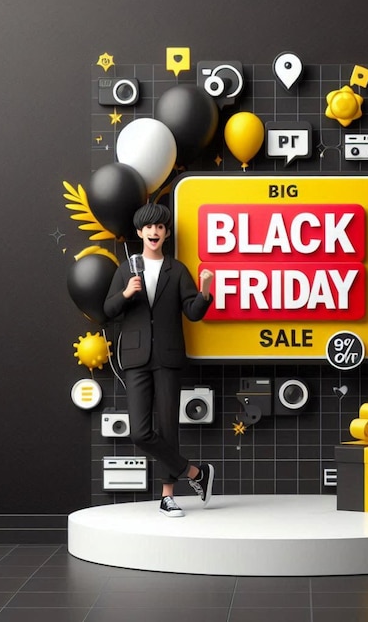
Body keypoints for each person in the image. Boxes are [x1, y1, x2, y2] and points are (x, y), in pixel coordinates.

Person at [104, 202, 214, 517]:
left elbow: (193, 312)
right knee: (139, 431)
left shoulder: (177, 269)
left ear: (166, 233)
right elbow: (108, 310)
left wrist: (205, 290)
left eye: (160, 227)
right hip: (136, 357)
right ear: (140, 232)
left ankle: (168, 496)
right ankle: (196, 473)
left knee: (168, 428)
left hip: (167, 356)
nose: (154, 231)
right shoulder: (126, 269)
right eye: (149, 227)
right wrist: (125, 293)